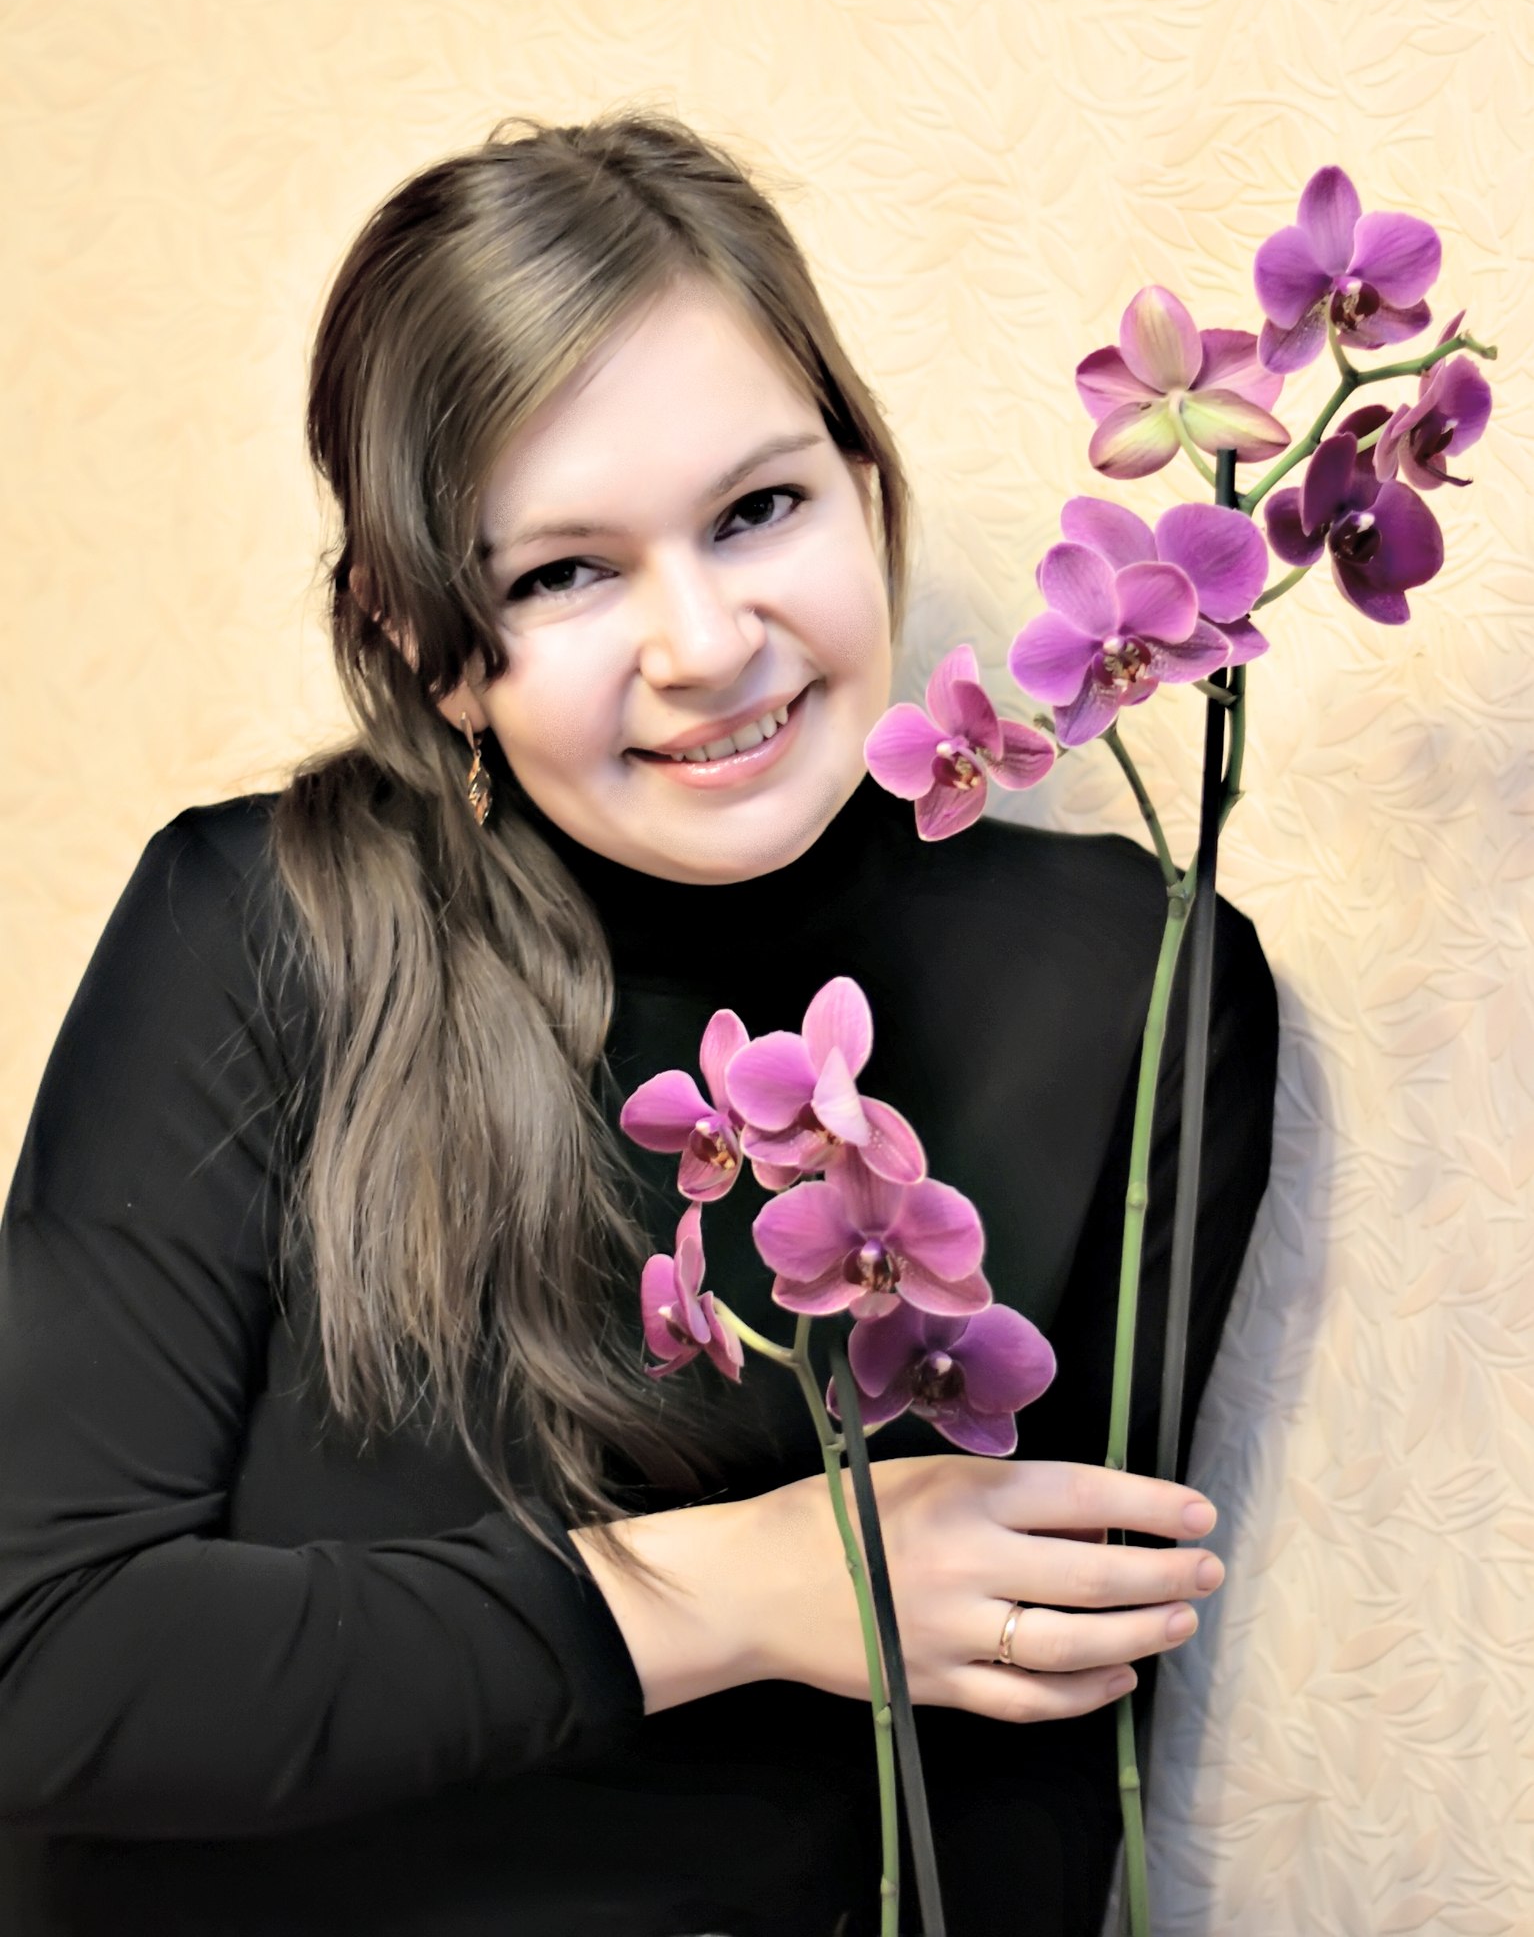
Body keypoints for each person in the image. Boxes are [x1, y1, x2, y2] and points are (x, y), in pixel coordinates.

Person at [0, 110, 1278, 1937]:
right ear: (427, 644)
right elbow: (42, 1661)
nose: (704, 642)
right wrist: (751, 1587)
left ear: (865, 485)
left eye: (760, 509)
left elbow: (1038, 1743)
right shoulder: (257, 926)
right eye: (562, 573)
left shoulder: (1135, 977)